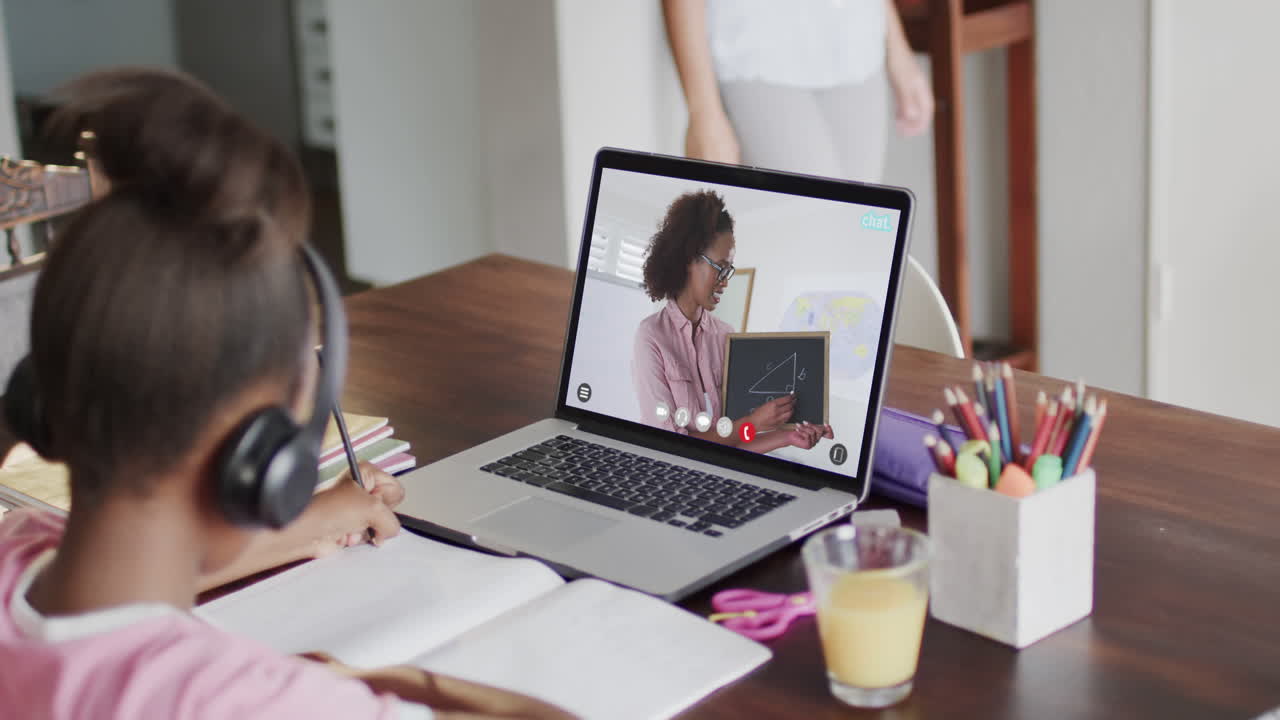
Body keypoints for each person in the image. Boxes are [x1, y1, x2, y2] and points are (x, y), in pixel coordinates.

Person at [0, 68, 572, 720]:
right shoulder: (234, 701)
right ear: (260, 462)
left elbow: (121, 595)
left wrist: (310, 524)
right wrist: (374, 682)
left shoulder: (19, 548)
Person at [632, 190, 834, 454]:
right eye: (720, 267)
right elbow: (670, 446)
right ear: (689, 260)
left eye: (729, 270)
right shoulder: (651, 336)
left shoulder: (725, 335)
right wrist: (753, 422)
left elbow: (735, 441)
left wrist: (787, 437)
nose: (725, 281)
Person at [662, 0, 934, 181]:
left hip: (857, 44)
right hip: (756, 51)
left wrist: (898, 49)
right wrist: (704, 112)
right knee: (812, 223)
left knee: (856, 228)